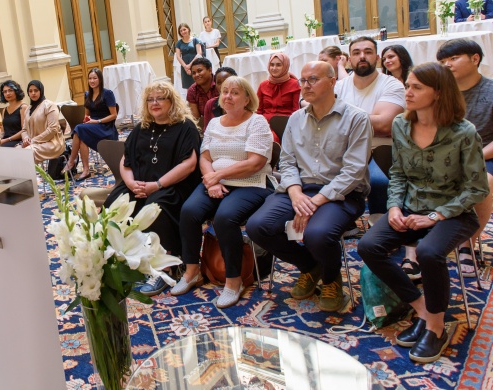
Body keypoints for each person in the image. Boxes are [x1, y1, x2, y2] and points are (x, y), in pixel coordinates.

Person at [358, 63, 488, 364]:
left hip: (454, 212)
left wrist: (436, 216)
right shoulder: (402, 125)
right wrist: (393, 207)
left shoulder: (463, 132)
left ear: (439, 93)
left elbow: (477, 188)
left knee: (429, 252)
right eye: (408, 86)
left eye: (416, 87)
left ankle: (437, 325)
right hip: (411, 208)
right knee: (368, 246)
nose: (408, 92)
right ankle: (421, 308)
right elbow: (400, 174)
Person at [246, 61, 372, 312]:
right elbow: (287, 161)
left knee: (317, 233)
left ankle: (331, 277)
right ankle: (310, 266)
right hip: (299, 189)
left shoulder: (356, 118)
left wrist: (315, 202)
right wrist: (295, 193)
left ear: (332, 81)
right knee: (258, 227)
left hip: (341, 193)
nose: (305, 86)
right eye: (303, 81)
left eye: (313, 79)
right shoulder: (295, 118)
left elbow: (353, 171)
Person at [173, 76, 275, 308]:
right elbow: (205, 157)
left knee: (224, 218)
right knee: (188, 211)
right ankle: (192, 272)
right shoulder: (214, 123)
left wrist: (218, 176)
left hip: (251, 183)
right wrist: (212, 182)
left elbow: (255, 163)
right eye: (225, 92)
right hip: (215, 181)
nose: (227, 96)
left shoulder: (257, 122)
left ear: (248, 98)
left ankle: (233, 281)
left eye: (235, 92)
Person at [103, 81, 201, 296]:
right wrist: (129, 183)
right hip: (139, 184)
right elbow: (125, 161)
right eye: (150, 99)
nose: (154, 103)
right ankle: (125, 262)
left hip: (173, 185)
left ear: (172, 101)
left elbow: (190, 164)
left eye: (160, 98)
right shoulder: (141, 128)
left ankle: (162, 269)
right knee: (114, 204)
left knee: (156, 207)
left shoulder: (185, 127)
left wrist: (156, 185)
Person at [437, 39, 493, 276]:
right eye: (443, 61)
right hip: (443, 156)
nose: (447, 65)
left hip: (484, 155)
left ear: (475, 59)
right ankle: (417, 242)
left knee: (484, 182)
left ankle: (467, 244)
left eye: (453, 58)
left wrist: (471, 157)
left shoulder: (490, 91)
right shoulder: (438, 93)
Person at [334, 36, 405, 221]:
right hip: (343, 149)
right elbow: (326, 122)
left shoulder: (391, 84)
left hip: (380, 150)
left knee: (378, 182)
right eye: (356, 53)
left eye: (368, 52)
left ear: (377, 58)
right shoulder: (339, 87)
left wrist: (343, 118)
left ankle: (380, 227)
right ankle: (343, 223)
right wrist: (368, 118)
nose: (362, 56)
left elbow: (384, 124)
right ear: (349, 60)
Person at [64, 68, 118, 180]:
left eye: (94, 78)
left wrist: (97, 121)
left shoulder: (107, 93)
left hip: (106, 128)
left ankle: (71, 161)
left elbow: (114, 115)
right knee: (82, 136)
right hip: (93, 126)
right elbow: (87, 115)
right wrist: (87, 120)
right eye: (90, 78)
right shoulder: (87, 94)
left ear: (100, 79)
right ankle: (86, 170)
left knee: (79, 129)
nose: (92, 81)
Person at [256, 53, 301, 141]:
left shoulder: (295, 84)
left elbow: (295, 111)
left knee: (273, 138)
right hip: (265, 124)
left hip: (285, 123)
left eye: (278, 65)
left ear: (285, 66)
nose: (274, 68)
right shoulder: (263, 85)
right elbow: (259, 110)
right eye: (272, 65)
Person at [18, 80, 65, 163]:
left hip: (52, 143)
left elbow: (53, 129)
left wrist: (33, 141)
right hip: (34, 143)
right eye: (30, 91)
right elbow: (24, 130)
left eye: (36, 90)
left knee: (27, 152)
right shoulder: (28, 109)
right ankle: (23, 176)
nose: (33, 93)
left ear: (41, 91)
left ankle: (30, 176)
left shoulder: (49, 105)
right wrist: (26, 139)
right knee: (16, 151)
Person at [186, 56, 219, 123]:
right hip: (206, 124)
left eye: (199, 71)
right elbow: (195, 117)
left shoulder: (219, 84)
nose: (197, 75)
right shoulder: (192, 90)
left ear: (210, 70)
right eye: (194, 73)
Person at [0, 80, 28, 148]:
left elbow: (24, 130)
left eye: (10, 90)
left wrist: (7, 139)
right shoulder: (4, 110)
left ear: (16, 91)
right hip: (6, 140)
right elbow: (3, 131)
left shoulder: (23, 107)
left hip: (18, 141)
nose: (7, 93)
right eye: (5, 92)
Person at [175, 23, 203, 90]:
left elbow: (199, 53)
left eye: (184, 29)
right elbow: (178, 56)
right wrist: (185, 66)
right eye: (181, 31)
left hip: (195, 65)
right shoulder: (179, 43)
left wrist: (190, 65)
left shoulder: (196, 40)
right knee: (189, 88)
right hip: (184, 66)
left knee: (198, 84)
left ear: (188, 29)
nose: (183, 32)